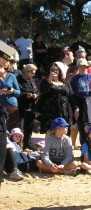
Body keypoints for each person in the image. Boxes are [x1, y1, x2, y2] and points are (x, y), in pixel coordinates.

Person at [36, 62, 79, 135]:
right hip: (50, 115)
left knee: (64, 134)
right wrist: (49, 80)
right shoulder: (45, 82)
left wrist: (76, 108)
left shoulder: (66, 83)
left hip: (63, 113)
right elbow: (43, 92)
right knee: (51, 135)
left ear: (59, 71)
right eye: (52, 70)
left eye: (56, 69)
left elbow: (71, 97)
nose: (54, 71)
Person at [0, 40, 18, 187]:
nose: (3, 68)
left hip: (2, 113)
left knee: (3, 145)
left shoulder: (7, 76)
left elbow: (17, 91)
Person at [70, 58, 91, 145]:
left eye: (85, 66)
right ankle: (84, 150)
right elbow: (72, 95)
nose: (83, 68)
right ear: (78, 67)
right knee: (81, 127)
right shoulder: (74, 79)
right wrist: (76, 107)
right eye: (81, 66)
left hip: (90, 103)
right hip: (79, 103)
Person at [17, 64, 38, 149]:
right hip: (21, 108)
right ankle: (19, 145)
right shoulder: (18, 80)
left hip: (31, 108)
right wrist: (26, 95)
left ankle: (27, 144)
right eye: (32, 73)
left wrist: (36, 95)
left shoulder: (32, 81)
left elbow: (36, 91)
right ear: (26, 72)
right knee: (20, 128)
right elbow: (17, 93)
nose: (33, 75)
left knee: (29, 127)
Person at [1, 60, 21, 131]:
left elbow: (18, 92)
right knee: (2, 130)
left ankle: (15, 142)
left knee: (13, 129)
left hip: (12, 106)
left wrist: (12, 91)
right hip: (1, 106)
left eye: (5, 68)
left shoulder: (11, 76)